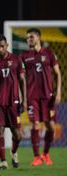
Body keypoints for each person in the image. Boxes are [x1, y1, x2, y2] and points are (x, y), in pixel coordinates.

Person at [0, 34, 26, 170]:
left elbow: (22, 80)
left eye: (2, 46)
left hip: (13, 102)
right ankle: (3, 161)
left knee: (17, 134)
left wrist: (24, 100)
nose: (0, 49)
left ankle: (13, 152)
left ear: (7, 45)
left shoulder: (17, 60)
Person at [21, 28, 62, 166]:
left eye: (31, 37)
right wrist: (24, 98)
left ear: (38, 37)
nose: (29, 40)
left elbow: (58, 73)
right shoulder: (25, 56)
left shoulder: (49, 54)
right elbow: (22, 78)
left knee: (50, 126)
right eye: (27, 38)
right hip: (32, 96)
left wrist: (59, 92)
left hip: (48, 97)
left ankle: (46, 153)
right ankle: (36, 157)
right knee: (35, 124)